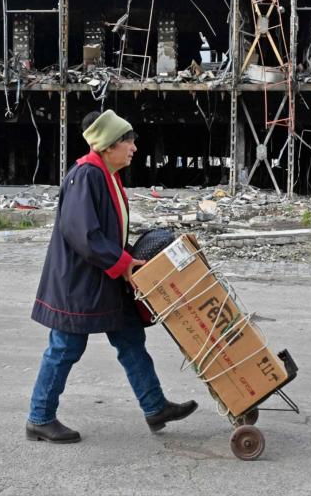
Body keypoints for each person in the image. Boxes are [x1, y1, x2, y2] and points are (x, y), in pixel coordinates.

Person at [25, 109, 197, 443]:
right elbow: (83, 234)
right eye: (127, 141)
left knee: (131, 340)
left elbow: (107, 233)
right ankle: (39, 418)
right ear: (107, 146)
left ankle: (155, 406)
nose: (133, 147)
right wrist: (124, 263)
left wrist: (129, 258)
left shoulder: (107, 175)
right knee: (64, 348)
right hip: (78, 283)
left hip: (104, 279)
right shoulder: (86, 175)